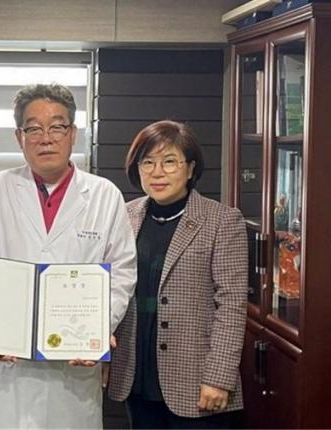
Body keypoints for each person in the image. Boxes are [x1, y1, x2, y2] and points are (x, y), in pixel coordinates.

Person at [0, 83, 137, 428]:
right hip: (10, 363)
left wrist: (98, 328)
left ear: (73, 134)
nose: (46, 139)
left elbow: (122, 271)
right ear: (19, 137)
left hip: (74, 364)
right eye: (33, 129)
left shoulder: (103, 195)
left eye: (57, 127)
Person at [107, 120, 248, 428]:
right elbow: (109, 286)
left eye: (169, 161)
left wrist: (219, 377)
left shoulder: (222, 221)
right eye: (148, 162)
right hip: (136, 372)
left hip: (196, 378)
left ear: (190, 168)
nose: (157, 172)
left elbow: (232, 305)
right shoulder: (124, 215)